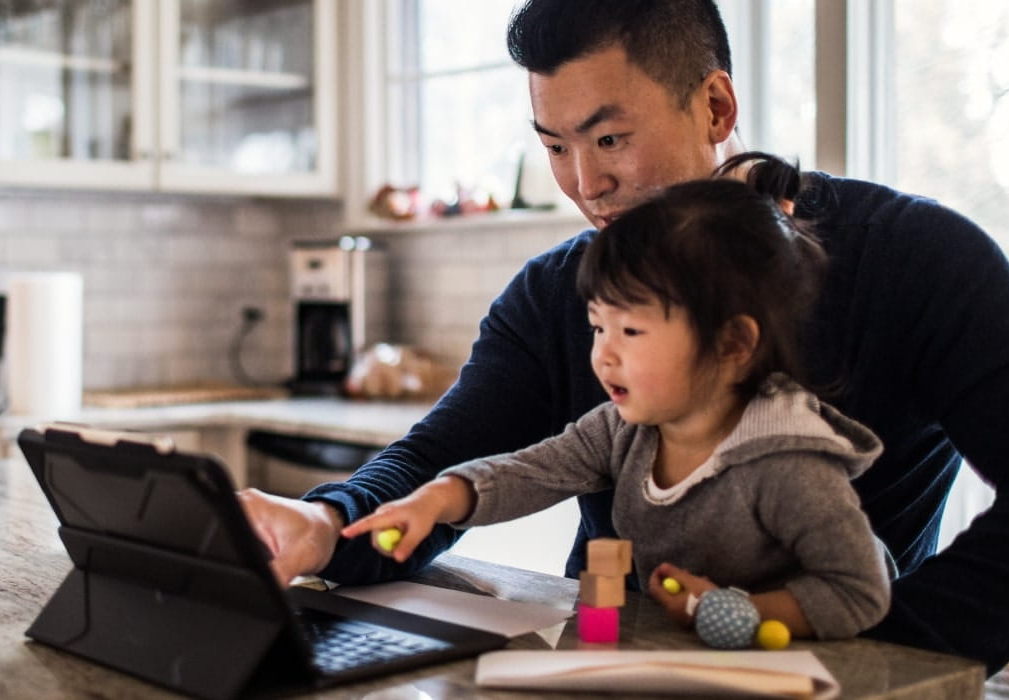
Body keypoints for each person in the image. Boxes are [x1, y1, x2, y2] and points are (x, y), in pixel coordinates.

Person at [239, 0, 1009, 673]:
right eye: (554, 146)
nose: (587, 183)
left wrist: (883, 653)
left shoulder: (912, 258)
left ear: (715, 104)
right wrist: (327, 521)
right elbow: (444, 459)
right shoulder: (551, 295)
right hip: (608, 667)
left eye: (611, 138)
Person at [341, 161, 893, 642]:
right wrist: (440, 497)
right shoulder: (625, 430)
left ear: (732, 343)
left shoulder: (786, 465)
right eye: (596, 328)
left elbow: (860, 591)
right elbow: (531, 472)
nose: (602, 356)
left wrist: (738, 613)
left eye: (629, 332)